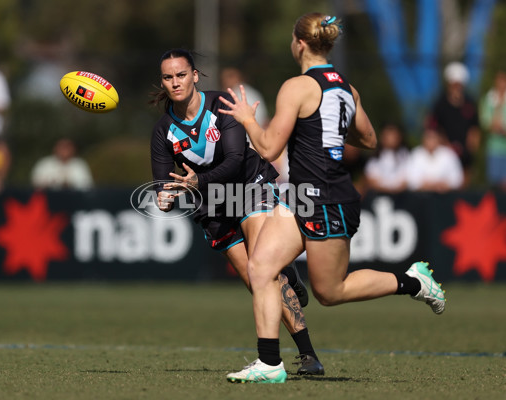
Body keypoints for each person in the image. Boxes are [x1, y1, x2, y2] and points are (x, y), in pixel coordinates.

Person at [219, 13, 445, 384]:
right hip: (305, 196)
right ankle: (269, 363)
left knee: (330, 291)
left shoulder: (295, 87)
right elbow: (369, 139)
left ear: (300, 43)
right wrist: (330, 134)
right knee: (260, 268)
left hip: (327, 199)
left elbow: (269, 146)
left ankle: (413, 281)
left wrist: (246, 118)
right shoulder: (346, 88)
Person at [150, 48, 324, 376]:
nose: (175, 82)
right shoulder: (163, 131)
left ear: (195, 75)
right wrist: (165, 197)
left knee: (263, 271)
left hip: (247, 186)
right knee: (252, 279)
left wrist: (196, 181)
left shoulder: (220, 105)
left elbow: (233, 161)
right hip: (211, 205)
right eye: (168, 77)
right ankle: (287, 274)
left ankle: (308, 356)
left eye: (181, 75)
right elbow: (163, 183)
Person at [428, 61, 480, 187]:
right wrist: (445, 145)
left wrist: (472, 146)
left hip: (464, 153)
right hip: (444, 152)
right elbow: (433, 127)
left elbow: (475, 127)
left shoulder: (469, 103)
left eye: (459, 84)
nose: (457, 87)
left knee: (464, 183)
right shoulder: (440, 104)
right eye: (454, 84)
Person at [479, 69, 506, 192]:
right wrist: (499, 105)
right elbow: (487, 124)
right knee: (495, 185)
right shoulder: (489, 99)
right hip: (495, 149)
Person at [406, 126, 464, 192]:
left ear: (438, 138)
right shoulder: (415, 154)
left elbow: (457, 179)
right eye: (428, 137)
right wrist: (427, 185)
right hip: (420, 197)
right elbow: (410, 180)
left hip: (445, 197)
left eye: (433, 138)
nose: (431, 141)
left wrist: (444, 184)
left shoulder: (449, 155)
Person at [364, 122, 410, 194]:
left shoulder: (405, 155)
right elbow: (371, 180)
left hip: (401, 197)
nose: (392, 139)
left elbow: (408, 179)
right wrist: (389, 190)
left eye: (394, 136)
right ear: (382, 138)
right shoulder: (375, 157)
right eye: (388, 136)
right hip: (379, 196)